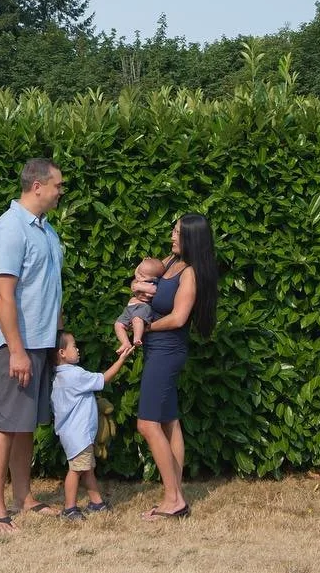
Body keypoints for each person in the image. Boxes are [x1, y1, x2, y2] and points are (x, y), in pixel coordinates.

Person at [0, 158, 66, 533]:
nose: (61, 192)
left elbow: (51, 290)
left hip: (39, 344)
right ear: (37, 186)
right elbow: (3, 294)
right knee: (4, 423)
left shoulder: (46, 231)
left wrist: (60, 336)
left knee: (24, 424)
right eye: (58, 186)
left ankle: (23, 497)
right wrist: (15, 350)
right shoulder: (10, 228)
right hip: (14, 344)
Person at [136, 213, 219, 521]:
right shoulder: (171, 262)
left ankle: (174, 500)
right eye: (173, 230)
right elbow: (143, 279)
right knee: (169, 421)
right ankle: (175, 494)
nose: (172, 236)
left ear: (192, 239)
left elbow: (179, 318)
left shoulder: (190, 274)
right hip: (157, 349)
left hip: (167, 351)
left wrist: (145, 328)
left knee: (147, 424)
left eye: (178, 233)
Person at [50, 330, 134, 519]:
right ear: (62, 353)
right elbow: (103, 379)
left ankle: (97, 503)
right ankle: (69, 508)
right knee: (76, 470)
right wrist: (121, 360)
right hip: (79, 435)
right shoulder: (74, 375)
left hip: (73, 435)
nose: (78, 349)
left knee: (87, 469)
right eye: (74, 346)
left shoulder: (58, 377)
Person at [113, 256, 166, 350]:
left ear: (153, 278)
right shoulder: (142, 276)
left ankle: (137, 338)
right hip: (131, 307)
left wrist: (138, 286)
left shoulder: (152, 283)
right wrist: (143, 262)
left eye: (142, 276)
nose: (138, 276)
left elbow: (153, 290)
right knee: (118, 324)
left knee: (137, 319)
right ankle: (125, 343)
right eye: (139, 273)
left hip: (142, 307)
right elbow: (137, 272)